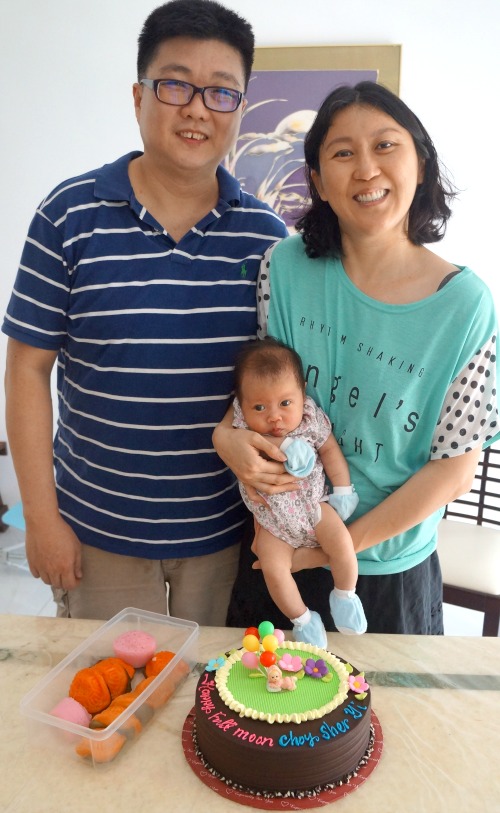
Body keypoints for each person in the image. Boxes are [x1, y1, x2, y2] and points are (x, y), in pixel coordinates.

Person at [2, 0, 288, 623]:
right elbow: (26, 371)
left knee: (203, 704)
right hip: (96, 530)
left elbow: (278, 387)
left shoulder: (266, 239)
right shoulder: (68, 216)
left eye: (221, 92)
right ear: (138, 97)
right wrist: (42, 519)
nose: (195, 108)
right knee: (106, 704)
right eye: (176, 84)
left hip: (220, 535)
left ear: (239, 109)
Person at [213, 81, 499, 635]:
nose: (366, 169)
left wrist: (335, 550)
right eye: (342, 153)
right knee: (259, 713)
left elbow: (455, 469)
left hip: (388, 570)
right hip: (278, 553)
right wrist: (226, 435)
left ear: (421, 161)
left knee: (389, 722)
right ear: (318, 181)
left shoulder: (466, 305)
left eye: (386, 146)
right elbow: (263, 386)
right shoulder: (286, 268)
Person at [232, 336, 366, 646]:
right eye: (260, 407)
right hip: (272, 523)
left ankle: (345, 595)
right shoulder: (244, 428)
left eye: (284, 403)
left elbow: (331, 452)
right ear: (242, 405)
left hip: (315, 508)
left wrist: (344, 490)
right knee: (273, 569)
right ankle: (303, 620)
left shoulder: (309, 420)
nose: (274, 416)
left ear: (302, 393)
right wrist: (282, 444)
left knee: (342, 545)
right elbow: (247, 447)